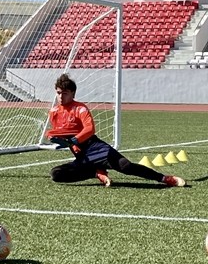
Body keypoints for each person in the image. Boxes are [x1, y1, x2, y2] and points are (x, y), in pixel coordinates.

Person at [46, 73, 187, 188]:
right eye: (58, 93)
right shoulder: (54, 112)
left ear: (73, 93)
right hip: (82, 156)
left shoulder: (80, 108)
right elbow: (58, 132)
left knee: (126, 166)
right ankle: (96, 173)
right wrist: (54, 138)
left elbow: (90, 129)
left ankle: (164, 179)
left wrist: (73, 140)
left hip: (95, 148)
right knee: (56, 174)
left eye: (64, 93)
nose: (60, 96)